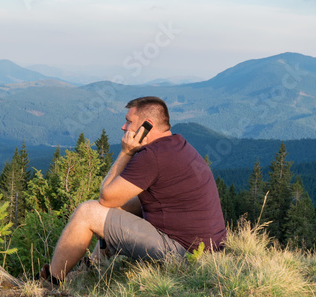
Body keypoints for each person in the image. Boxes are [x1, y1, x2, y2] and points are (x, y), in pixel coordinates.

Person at [42, 96, 226, 284]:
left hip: (184, 255)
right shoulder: (178, 145)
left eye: (129, 121)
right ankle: (92, 267)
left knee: (87, 212)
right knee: (119, 208)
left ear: (147, 125)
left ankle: (50, 283)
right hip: (207, 250)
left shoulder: (152, 156)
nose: (124, 127)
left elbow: (106, 198)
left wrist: (126, 153)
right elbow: (131, 202)